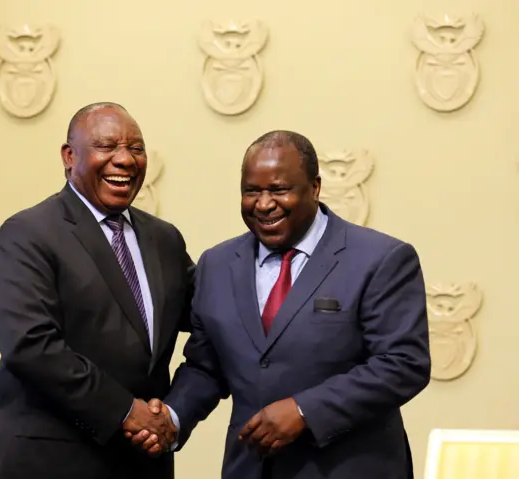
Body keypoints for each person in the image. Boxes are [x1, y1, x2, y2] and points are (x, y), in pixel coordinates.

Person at [133, 130, 431, 478]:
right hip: (251, 467)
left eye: (278, 190)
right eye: (251, 191)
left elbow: (403, 364)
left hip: (349, 467)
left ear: (315, 188)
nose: (263, 204)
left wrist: (305, 411)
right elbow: (206, 365)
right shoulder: (216, 264)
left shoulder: (380, 259)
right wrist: (172, 417)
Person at [0, 102, 193, 479]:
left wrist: (174, 412)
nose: (124, 160)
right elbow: (31, 346)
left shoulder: (164, 239)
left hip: (142, 463)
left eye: (136, 148)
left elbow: (212, 319)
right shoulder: (29, 234)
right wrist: (126, 411)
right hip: (49, 461)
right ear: (69, 155)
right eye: (107, 147)